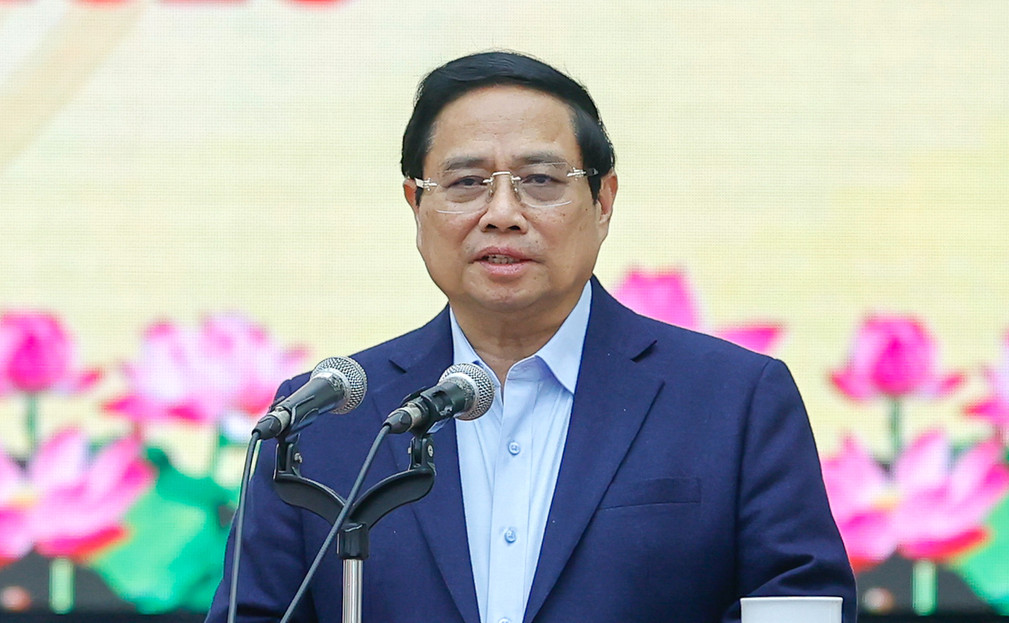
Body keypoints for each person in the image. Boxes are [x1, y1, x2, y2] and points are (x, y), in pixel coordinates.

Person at [206, 50, 856, 623]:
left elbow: (797, 605)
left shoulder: (734, 400)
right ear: (415, 204)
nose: (502, 214)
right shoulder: (323, 419)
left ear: (604, 201)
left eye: (540, 181)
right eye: (466, 183)